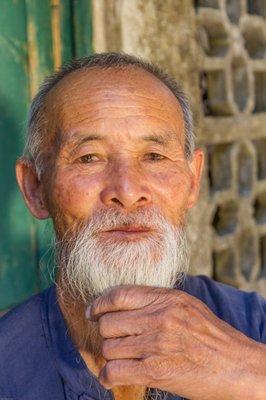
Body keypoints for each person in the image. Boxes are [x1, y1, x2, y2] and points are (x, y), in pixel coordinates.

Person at [0, 52, 265, 400]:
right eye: (88, 157)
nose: (127, 191)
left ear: (193, 179)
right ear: (35, 188)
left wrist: (248, 371)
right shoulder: (8, 366)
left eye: (154, 157)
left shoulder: (249, 326)